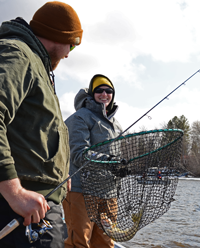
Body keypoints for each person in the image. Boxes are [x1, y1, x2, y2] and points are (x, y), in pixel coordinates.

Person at [0, 1, 83, 248]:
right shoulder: (19, 54)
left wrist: (60, 170)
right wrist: (14, 192)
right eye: (73, 44)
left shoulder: (37, 64)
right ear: (58, 35)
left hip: (40, 205)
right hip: (22, 211)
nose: (69, 53)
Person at [63, 74, 123, 248]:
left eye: (108, 91)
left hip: (109, 192)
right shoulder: (80, 117)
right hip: (80, 190)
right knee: (79, 241)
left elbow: (115, 157)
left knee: (105, 242)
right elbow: (80, 154)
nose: (104, 94)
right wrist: (111, 161)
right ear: (92, 94)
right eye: (99, 91)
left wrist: (120, 167)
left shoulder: (116, 124)